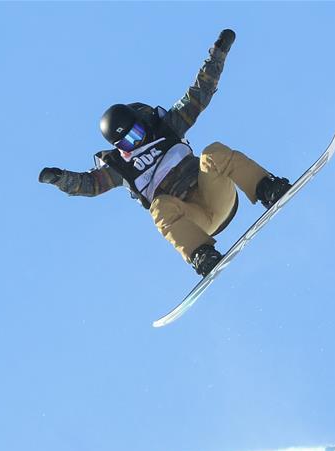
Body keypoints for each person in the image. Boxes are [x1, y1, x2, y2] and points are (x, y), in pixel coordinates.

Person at [38, 29, 292, 277]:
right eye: (127, 142)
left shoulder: (167, 127)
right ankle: (201, 253)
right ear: (118, 147)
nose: (136, 142)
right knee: (159, 207)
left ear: (142, 122)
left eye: (136, 133)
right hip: (192, 220)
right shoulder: (120, 169)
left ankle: (266, 187)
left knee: (212, 153)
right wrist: (60, 178)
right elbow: (89, 184)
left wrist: (218, 55)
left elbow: (198, 94)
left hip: (215, 195)